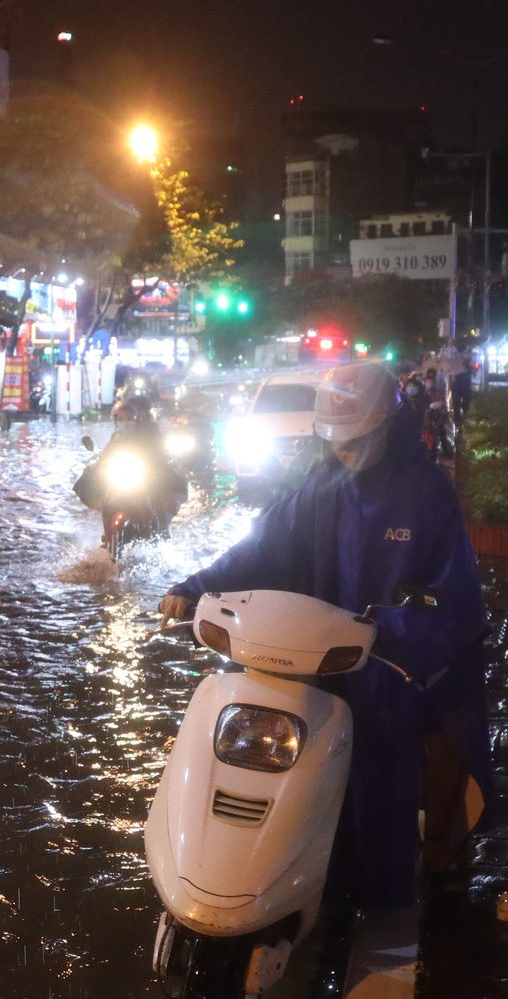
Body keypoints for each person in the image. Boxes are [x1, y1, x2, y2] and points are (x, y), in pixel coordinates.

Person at [157, 361, 490, 909]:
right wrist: (197, 585)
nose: (346, 451)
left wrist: (391, 633)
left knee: (394, 770)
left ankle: (406, 879)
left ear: (388, 425)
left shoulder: (428, 494)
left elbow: (454, 600)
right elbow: (262, 547)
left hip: (394, 666)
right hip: (319, 657)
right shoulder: (322, 487)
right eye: (337, 441)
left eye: (357, 440)